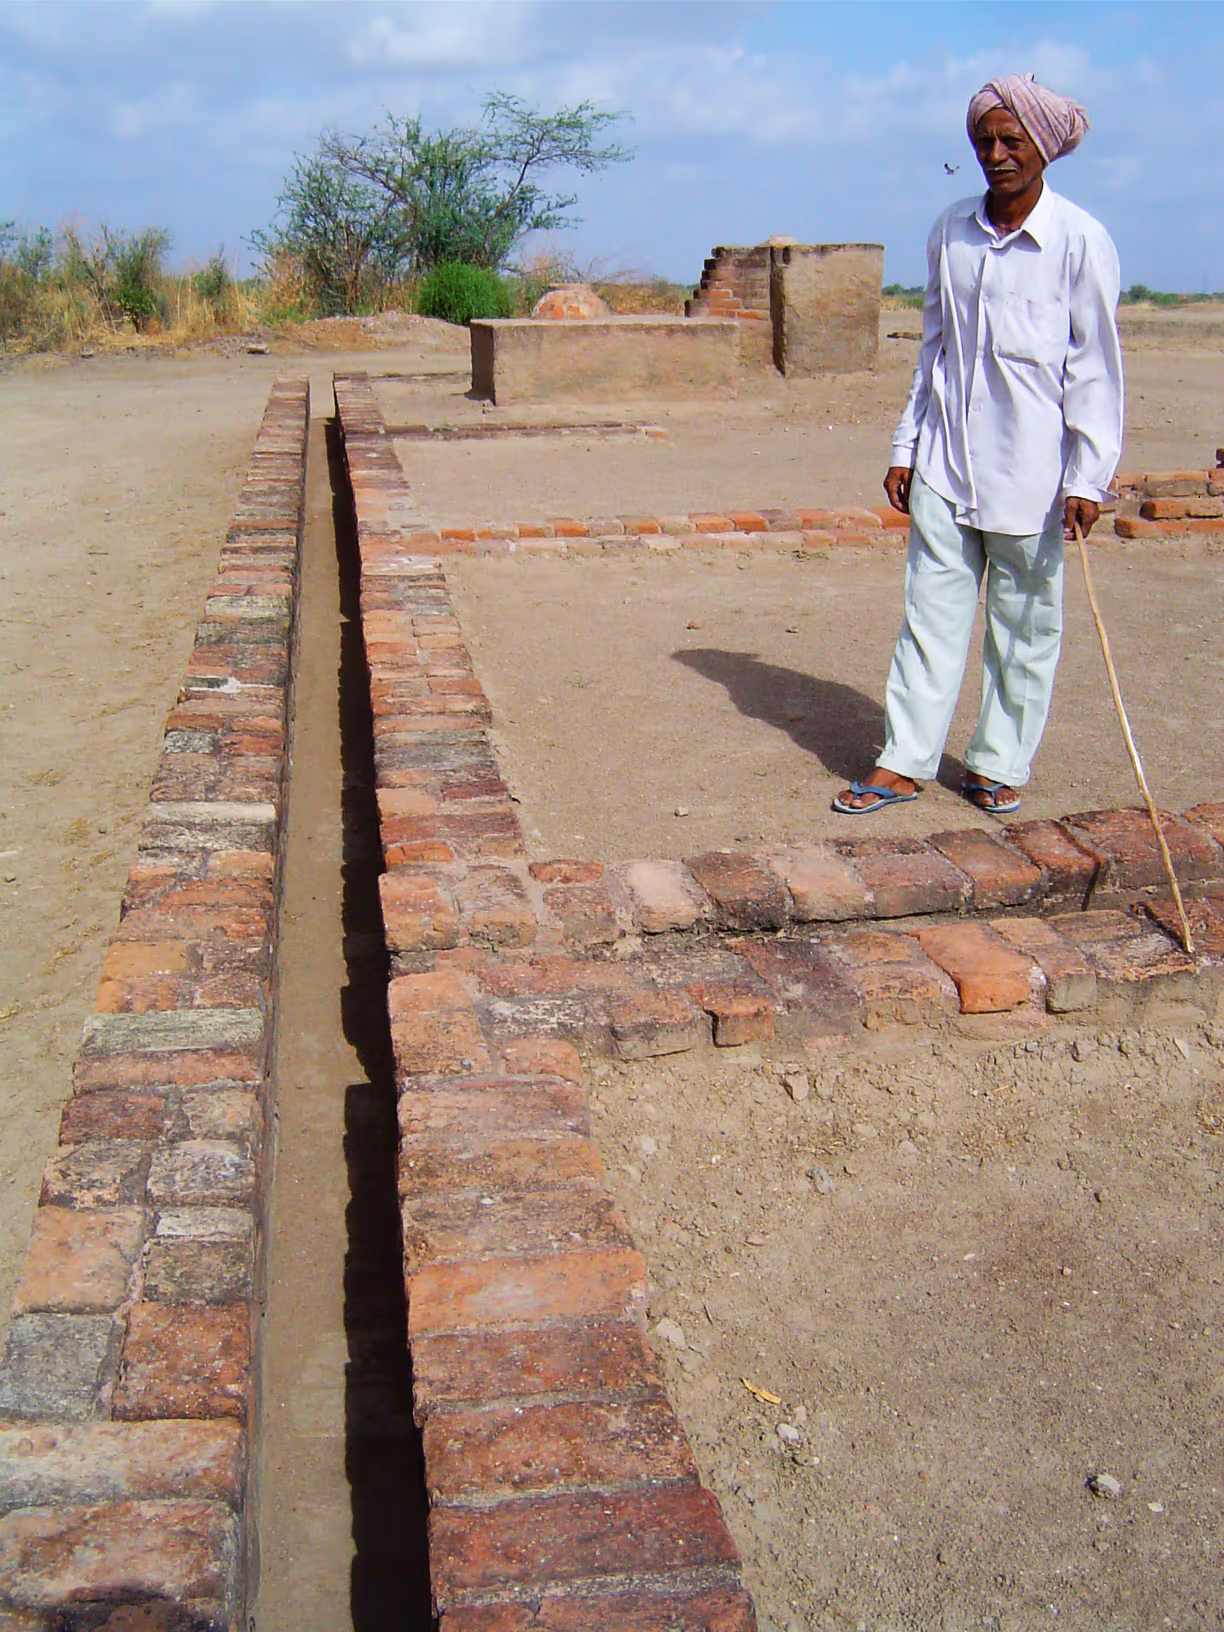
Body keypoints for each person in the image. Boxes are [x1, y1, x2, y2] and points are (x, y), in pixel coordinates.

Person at [834, 73, 1124, 816]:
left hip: (1034, 474)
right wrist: (907, 443)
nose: (996, 154)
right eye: (984, 141)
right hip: (945, 463)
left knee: (1024, 628)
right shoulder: (951, 231)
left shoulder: (1079, 241)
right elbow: (933, 349)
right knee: (929, 617)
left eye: (1011, 141)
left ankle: (998, 763)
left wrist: (1089, 476)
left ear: (1043, 149)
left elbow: (1094, 368)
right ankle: (903, 761)